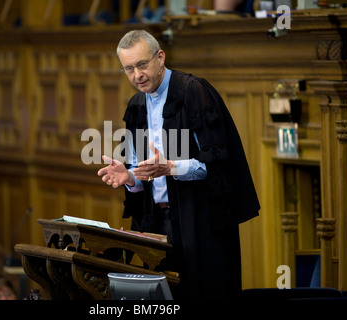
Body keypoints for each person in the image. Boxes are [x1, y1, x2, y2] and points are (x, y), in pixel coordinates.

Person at [97, 30, 260, 300]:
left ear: (160, 57)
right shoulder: (137, 104)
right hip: (157, 225)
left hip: (200, 222)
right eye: (128, 68)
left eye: (142, 64)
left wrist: (171, 167)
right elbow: (144, 175)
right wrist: (129, 177)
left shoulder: (192, 92)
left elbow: (218, 166)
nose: (137, 75)